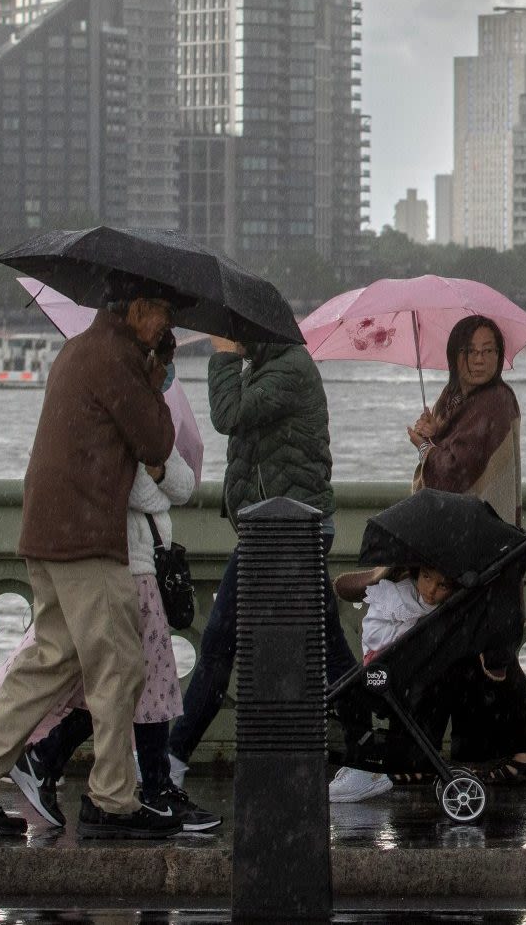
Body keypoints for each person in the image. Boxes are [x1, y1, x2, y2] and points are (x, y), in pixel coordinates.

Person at [0, 278, 181, 841]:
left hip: (49, 531)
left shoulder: (79, 348)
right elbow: (157, 442)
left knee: (53, 660)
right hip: (86, 537)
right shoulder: (116, 358)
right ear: (138, 308)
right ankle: (113, 800)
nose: (168, 325)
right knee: (119, 667)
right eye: (163, 313)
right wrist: (155, 374)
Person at [5, 332, 219, 834]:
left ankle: (54, 760)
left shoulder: (142, 410)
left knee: (117, 683)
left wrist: (164, 471)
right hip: (123, 560)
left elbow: (181, 485)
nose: (167, 371)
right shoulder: (116, 409)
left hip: (135, 557)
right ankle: (144, 787)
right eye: (163, 361)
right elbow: (148, 490)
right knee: (141, 681)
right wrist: (163, 474)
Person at [167, 330, 358, 786]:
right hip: (279, 527)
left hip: (287, 530)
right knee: (328, 647)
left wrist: (224, 359)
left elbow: (228, 415)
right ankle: (365, 751)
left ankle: (173, 757)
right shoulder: (269, 368)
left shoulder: (290, 368)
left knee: (219, 642)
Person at [395, 314, 526, 791]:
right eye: (470, 351)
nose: (480, 360)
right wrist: (435, 433)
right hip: (472, 545)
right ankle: (509, 755)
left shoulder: (494, 402)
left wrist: (426, 446)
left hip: (484, 546)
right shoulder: (459, 401)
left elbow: (451, 474)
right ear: (455, 357)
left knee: (481, 655)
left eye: (488, 351)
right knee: (484, 653)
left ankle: (480, 757)